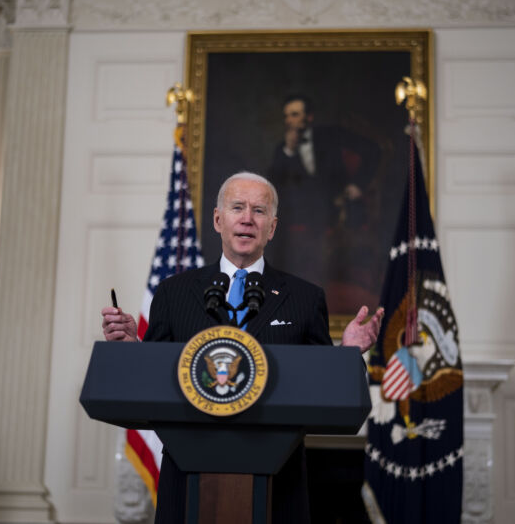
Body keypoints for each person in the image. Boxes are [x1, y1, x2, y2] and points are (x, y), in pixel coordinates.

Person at [101, 171, 383, 524]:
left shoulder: (305, 298)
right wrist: (132, 348)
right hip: (189, 476)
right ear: (219, 220)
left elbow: (323, 389)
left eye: (259, 210)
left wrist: (347, 354)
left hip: (277, 480)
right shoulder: (174, 293)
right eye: (237, 207)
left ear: (272, 227)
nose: (248, 218)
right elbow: (155, 381)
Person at [267, 94, 381, 289]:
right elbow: (274, 187)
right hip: (303, 215)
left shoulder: (332, 135)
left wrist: (358, 185)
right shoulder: (283, 149)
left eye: (294, 114)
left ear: (309, 117)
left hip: (339, 208)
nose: (288, 121)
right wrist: (289, 151)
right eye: (286, 116)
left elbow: (373, 150)